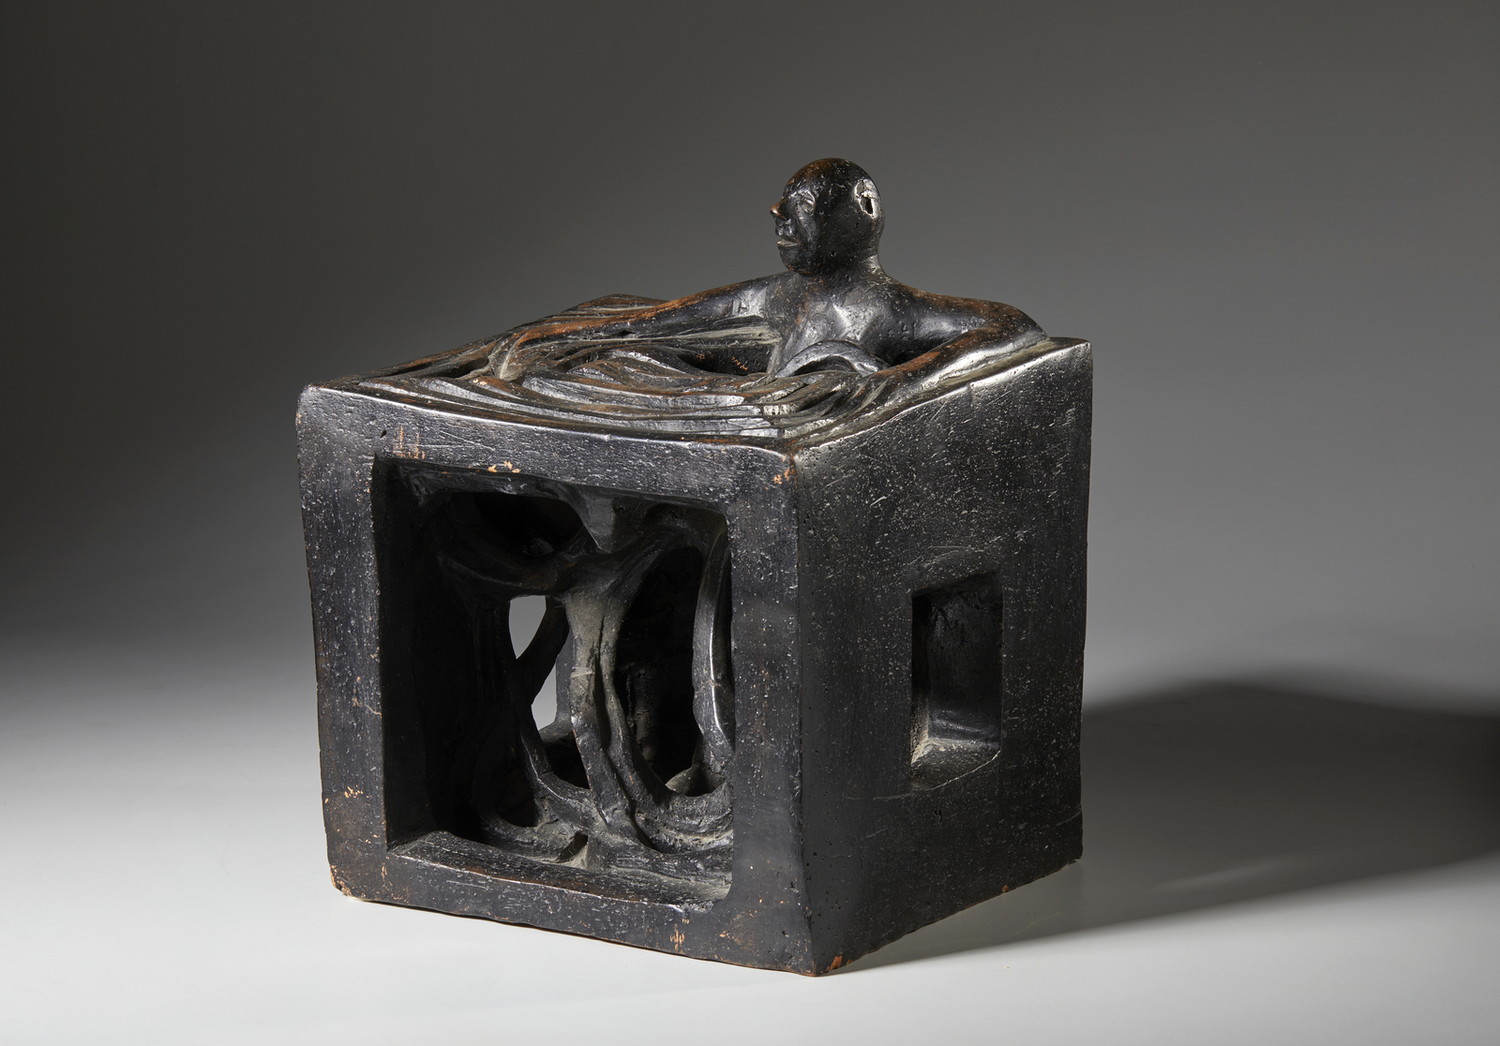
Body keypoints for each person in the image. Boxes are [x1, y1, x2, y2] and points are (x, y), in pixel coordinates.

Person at [482, 158, 1044, 385]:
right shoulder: (777, 296)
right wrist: (571, 335)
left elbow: (1015, 326)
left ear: (860, 215)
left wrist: (905, 379)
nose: (778, 214)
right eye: (784, 203)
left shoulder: (892, 312)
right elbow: (660, 321)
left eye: (802, 205)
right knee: (612, 363)